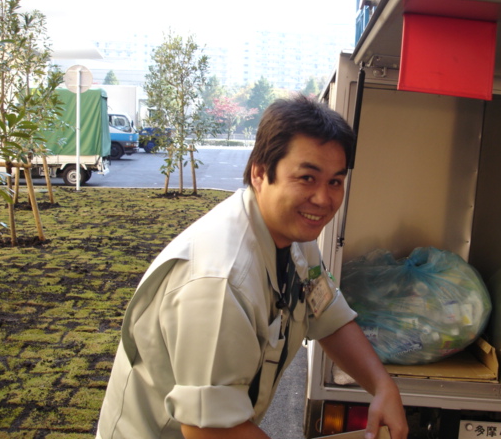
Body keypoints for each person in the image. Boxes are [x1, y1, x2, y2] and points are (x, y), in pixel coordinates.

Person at [96, 95, 408, 439]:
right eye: (307, 178)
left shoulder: (295, 235)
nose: (323, 198)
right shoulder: (220, 283)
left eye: (335, 181)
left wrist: (382, 386)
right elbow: (207, 430)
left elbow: (325, 312)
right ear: (260, 172)